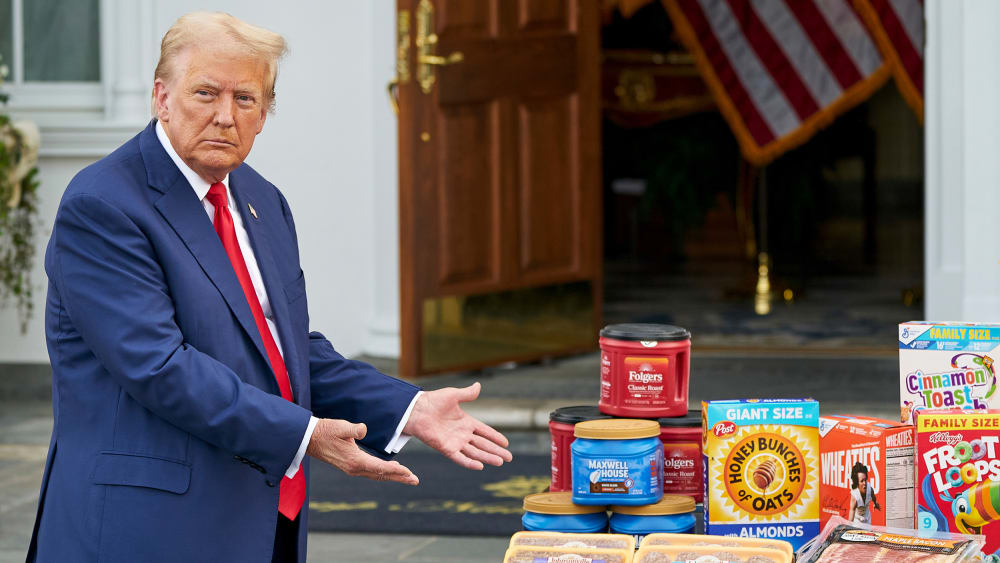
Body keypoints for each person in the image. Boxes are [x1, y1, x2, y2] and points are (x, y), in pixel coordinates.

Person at [26, 12, 512, 563]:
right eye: (205, 93)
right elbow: (160, 367)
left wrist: (407, 408)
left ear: (266, 113)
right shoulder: (103, 205)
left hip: (260, 520)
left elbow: (285, 348)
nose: (225, 117)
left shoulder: (261, 199)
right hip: (143, 527)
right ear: (162, 97)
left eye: (246, 99)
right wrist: (305, 436)